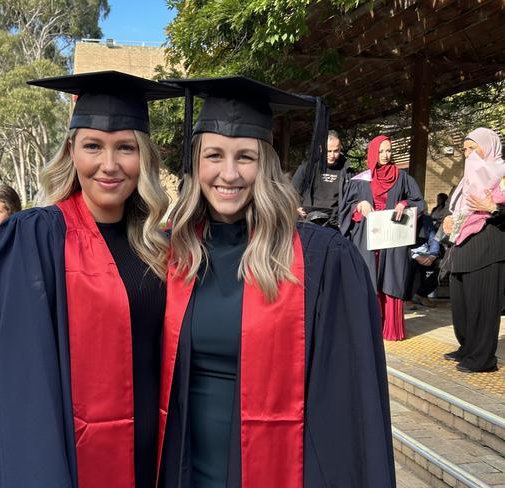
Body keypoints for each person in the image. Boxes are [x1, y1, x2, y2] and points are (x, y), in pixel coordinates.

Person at [0, 71, 181, 488]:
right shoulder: (33, 238)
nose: (109, 165)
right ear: (71, 151)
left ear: (144, 157)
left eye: (126, 148)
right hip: (68, 452)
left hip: (153, 450)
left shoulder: (161, 245)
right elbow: (12, 377)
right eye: (92, 146)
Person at [157, 76, 395, 487]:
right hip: (182, 467)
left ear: (265, 164)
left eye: (245, 157)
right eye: (214, 155)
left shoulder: (321, 259)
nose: (228, 174)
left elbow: (347, 402)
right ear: (195, 163)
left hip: (279, 468)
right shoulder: (169, 251)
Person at [339, 135, 425, 341]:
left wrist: (404, 204)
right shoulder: (360, 180)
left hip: (393, 238)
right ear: (373, 153)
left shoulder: (403, 178)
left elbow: (419, 203)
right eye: (381, 151)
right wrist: (359, 206)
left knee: (391, 277)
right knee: (367, 279)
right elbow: (345, 210)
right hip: (367, 239)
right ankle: (369, 329)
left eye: (388, 151)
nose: (386, 155)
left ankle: (391, 328)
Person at [441, 128, 505, 373]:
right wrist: (447, 219)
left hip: (489, 248)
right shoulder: (468, 178)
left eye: (472, 148)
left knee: (483, 306)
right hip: (462, 247)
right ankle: (467, 347)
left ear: (487, 147)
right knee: (463, 305)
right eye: (465, 149)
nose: (467, 154)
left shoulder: (501, 174)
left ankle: (482, 358)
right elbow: (454, 207)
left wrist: (493, 207)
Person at [292, 129, 353, 226]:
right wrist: (294, 208)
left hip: (336, 222)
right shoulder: (307, 168)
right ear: (320, 149)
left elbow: (353, 197)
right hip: (309, 220)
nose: (332, 155)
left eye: (336, 151)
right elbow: (291, 193)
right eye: (328, 151)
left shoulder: (346, 171)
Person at [404, 213, 441, 309]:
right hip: (409, 254)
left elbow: (434, 238)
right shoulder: (404, 216)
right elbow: (401, 243)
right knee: (410, 264)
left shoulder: (426, 219)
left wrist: (433, 255)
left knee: (444, 266)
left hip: (426, 253)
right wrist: (415, 256)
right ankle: (406, 298)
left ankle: (421, 294)